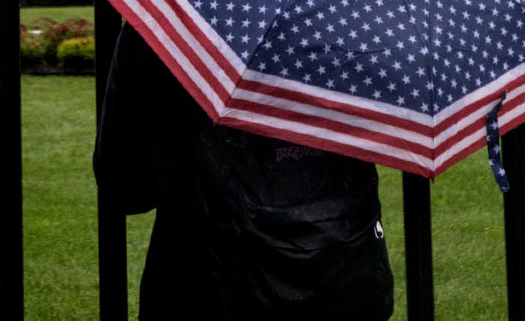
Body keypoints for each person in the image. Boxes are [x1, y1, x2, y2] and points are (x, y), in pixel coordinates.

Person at [96, 26, 395, 319]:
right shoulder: (345, 17)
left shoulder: (162, 23)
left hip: (205, 284)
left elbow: (125, 187)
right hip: (346, 272)